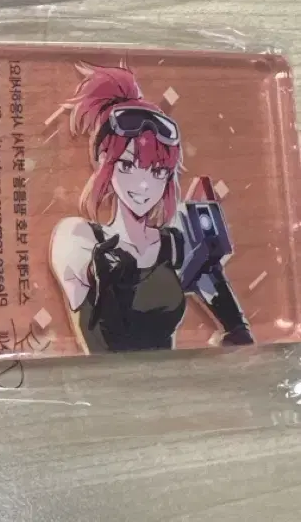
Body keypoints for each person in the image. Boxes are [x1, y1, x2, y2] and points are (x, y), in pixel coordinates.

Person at [49, 63, 253, 353]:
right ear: (105, 161)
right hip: (105, 377)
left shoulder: (174, 245)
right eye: (128, 165)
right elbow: (80, 267)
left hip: (168, 376)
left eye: (157, 171)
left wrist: (235, 330)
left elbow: (231, 320)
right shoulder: (80, 237)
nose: (143, 184)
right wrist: (103, 269)